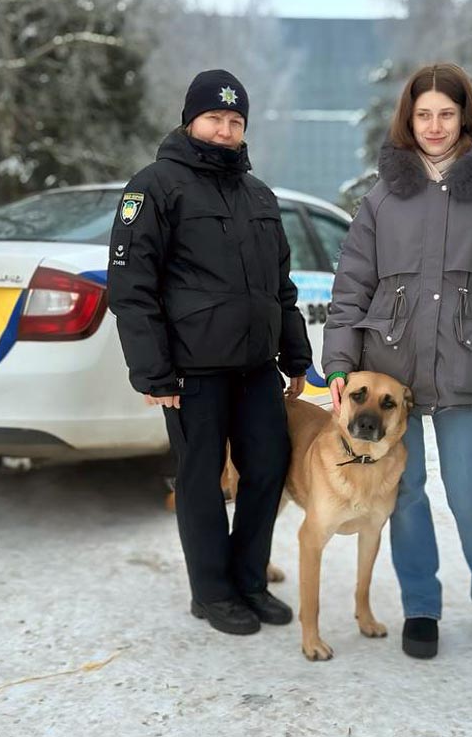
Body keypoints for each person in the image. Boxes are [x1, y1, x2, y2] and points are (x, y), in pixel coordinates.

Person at [323, 63, 472, 660]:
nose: (435, 126)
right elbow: (351, 287)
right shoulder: (382, 197)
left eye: (446, 114)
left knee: (467, 490)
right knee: (407, 491)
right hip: (390, 370)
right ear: (408, 119)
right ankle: (421, 606)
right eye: (424, 115)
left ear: (465, 118)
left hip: (465, 366)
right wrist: (339, 365)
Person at [106, 69, 311, 637]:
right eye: (214, 118)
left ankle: (249, 579)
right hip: (191, 370)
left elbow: (280, 286)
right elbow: (131, 288)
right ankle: (212, 591)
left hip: (256, 367)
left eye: (235, 120)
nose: (224, 130)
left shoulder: (259, 195)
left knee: (267, 467)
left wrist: (295, 356)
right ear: (190, 120)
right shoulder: (153, 187)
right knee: (200, 480)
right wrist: (154, 372)